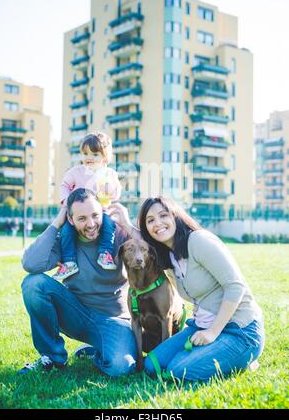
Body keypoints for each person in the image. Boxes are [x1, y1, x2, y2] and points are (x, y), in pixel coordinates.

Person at [108, 197, 265, 385]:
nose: (158, 223)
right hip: (200, 326)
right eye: (150, 221)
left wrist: (213, 332)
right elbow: (142, 246)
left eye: (163, 215)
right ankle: (219, 355)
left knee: (177, 370)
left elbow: (236, 286)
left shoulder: (198, 240)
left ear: (175, 215)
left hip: (239, 330)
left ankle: (239, 359)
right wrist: (126, 224)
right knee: (151, 365)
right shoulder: (168, 256)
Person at [19, 188, 136, 375]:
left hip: (113, 320)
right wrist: (56, 224)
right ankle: (52, 358)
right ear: (70, 220)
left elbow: (153, 254)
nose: (91, 224)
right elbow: (30, 263)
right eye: (82, 219)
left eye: (95, 216)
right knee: (33, 284)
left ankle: (98, 350)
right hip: (75, 314)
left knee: (120, 367)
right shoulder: (66, 242)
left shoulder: (117, 235)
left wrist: (128, 225)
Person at [53, 131, 121, 281]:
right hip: (78, 214)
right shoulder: (76, 172)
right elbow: (64, 185)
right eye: (85, 153)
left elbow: (116, 193)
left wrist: (109, 189)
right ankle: (70, 261)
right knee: (66, 230)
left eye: (95, 154)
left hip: (102, 211)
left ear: (105, 157)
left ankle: (105, 254)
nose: (89, 158)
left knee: (109, 225)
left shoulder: (109, 174)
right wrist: (66, 201)